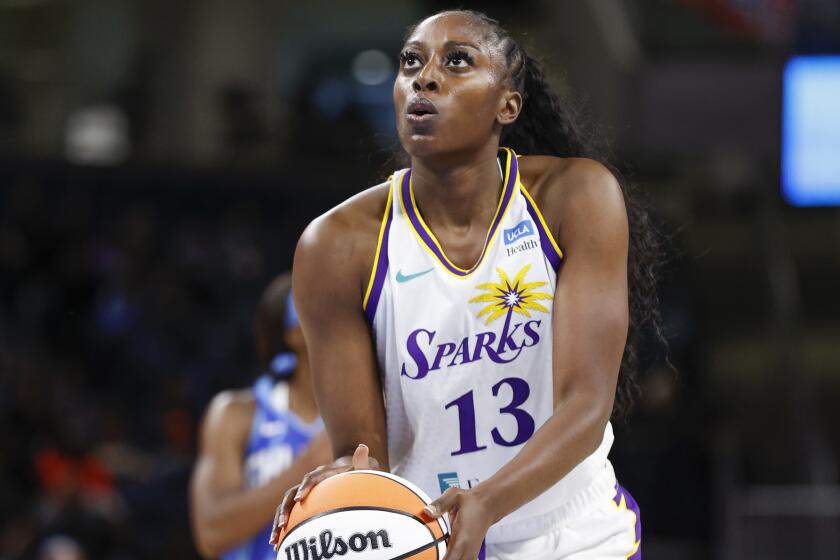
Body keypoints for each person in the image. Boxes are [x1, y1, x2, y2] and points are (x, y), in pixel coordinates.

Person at [272, 9, 663, 560]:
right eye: (411, 62)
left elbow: (586, 402)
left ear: (508, 104)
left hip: (573, 532)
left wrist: (488, 500)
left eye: (457, 61)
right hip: (435, 534)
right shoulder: (334, 246)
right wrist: (337, 488)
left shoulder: (575, 196)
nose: (424, 78)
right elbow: (363, 451)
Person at [190, 273, 331, 560]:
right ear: (293, 333)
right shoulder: (237, 413)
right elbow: (210, 533)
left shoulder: (368, 413)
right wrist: (308, 466)